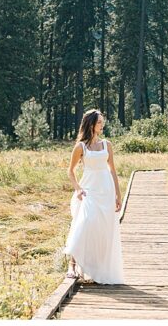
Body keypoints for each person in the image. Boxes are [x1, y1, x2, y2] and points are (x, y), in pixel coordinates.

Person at [63, 108, 124, 284]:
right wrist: (78, 189)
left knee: (103, 229)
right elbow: (71, 171)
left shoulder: (107, 145)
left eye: (102, 122)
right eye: (99, 122)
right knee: (83, 224)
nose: (102, 125)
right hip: (88, 190)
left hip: (106, 190)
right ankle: (72, 265)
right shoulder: (80, 147)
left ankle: (97, 269)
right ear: (91, 124)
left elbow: (112, 170)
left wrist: (118, 195)